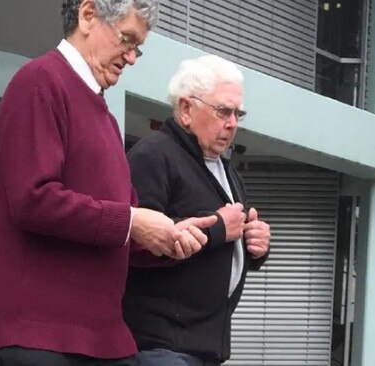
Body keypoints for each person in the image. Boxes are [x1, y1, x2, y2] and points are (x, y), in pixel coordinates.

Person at [0, 1, 217, 365]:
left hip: (100, 337)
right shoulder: (39, 82)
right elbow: (33, 199)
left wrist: (167, 238)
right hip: (43, 336)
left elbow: (117, 229)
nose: (132, 57)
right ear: (87, 14)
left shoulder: (104, 116)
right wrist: (131, 221)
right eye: (127, 39)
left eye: (138, 47)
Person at [123, 55, 272, 366]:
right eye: (222, 111)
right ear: (186, 109)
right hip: (158, 346)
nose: (232, 123)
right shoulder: (154, 155)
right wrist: (218, 229)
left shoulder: (225, 170)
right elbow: (134, 244)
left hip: (202, 346)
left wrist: (254, 245)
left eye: (237, 113)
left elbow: (228, 239)